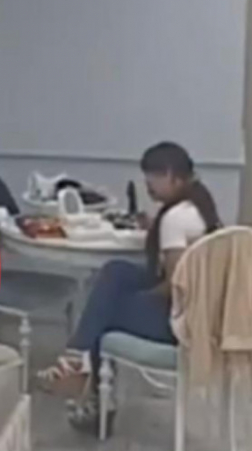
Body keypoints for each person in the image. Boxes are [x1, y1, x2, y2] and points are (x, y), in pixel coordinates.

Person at [36, 142, 222, 433]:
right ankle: (77, 360)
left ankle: (93, 396)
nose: (148, 187)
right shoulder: (199, 205)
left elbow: (176, 284)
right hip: (203, 313)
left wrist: (141, 298)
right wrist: (153, 229)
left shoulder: (175, 219)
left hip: (178, 323)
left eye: (152, 179)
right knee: (116, 272)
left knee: (102, 313)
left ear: (170, 175)